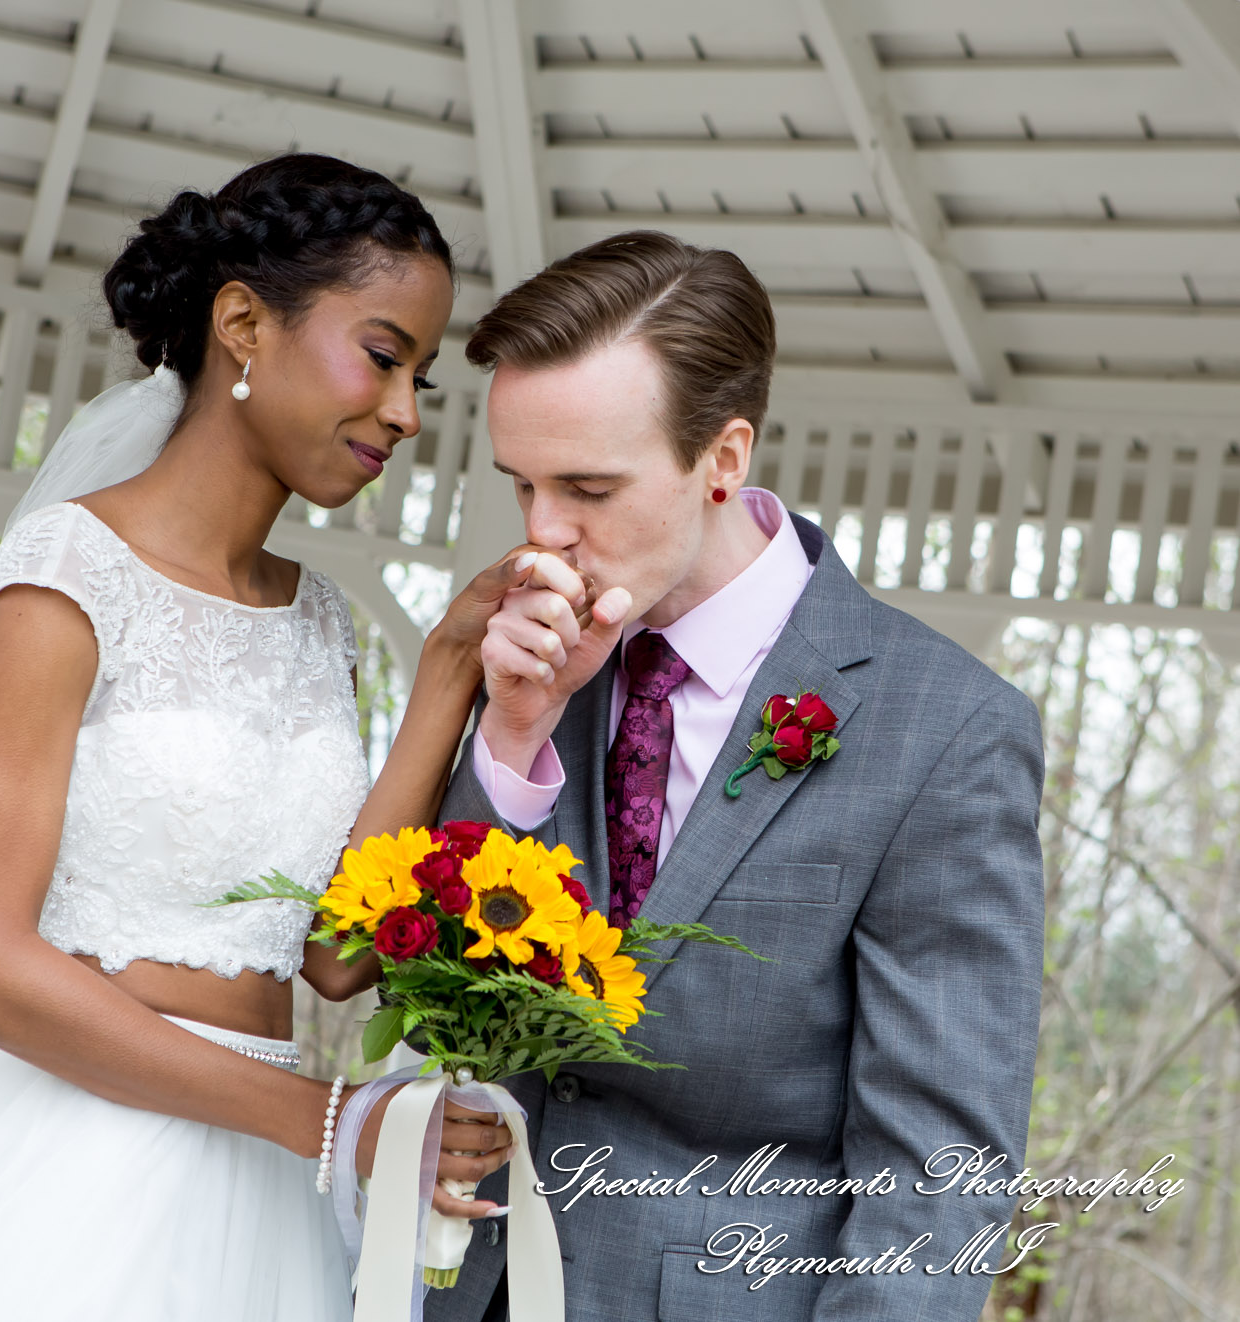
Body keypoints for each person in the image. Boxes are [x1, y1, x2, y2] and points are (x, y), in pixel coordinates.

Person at [0, 153, 584, 1321]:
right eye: (383, 355)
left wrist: (446, 678)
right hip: (75, 1181)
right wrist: (328, 1118)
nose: (408, 414)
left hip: (268, 1191)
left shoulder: (320, 621)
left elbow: (331, 955)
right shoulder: (64, 580)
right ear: (241, 325)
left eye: (420, 376)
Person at [420, 230, 1047, 1321]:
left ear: (724, 456)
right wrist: (513, 742)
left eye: (588, 486)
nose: (541, 535)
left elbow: (936, 1179)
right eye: (521, 483)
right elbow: (434, 1004)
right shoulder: (518, 656)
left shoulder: (947, 729)